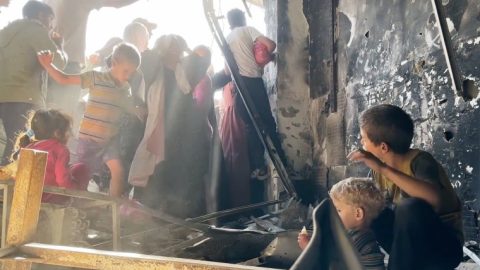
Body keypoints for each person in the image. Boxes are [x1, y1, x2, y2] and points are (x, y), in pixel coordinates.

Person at [348, 104, 463, 270]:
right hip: (409, 249)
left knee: (410, 207)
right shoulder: (377, 172)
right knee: (368, 209)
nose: (361, 143)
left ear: (383, 147)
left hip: (443, 251)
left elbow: (434, 200)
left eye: (363, 139)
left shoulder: (420, 161)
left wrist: (383, 168)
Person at [37, 43, 143, 198]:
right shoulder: (95, 77)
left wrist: (140, 110)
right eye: (125, 71)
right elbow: (65, 79)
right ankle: (75, 202)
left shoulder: (125, 88)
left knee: (118, 171)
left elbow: (129, 107)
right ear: (114, 63)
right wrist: (48, 64)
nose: (127, 76)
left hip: (108, 141)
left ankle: (112, 206)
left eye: (131, 73)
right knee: (81, 174)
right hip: (88, 141)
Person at [0, 0, 66, 165]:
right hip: (22, 98)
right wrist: (59, 46)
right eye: (51, 19)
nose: (51, 26)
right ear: (41, 15)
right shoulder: (37, 30)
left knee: (5, 144)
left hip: (3, 95)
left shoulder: (6, 31)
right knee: (17, 147)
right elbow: (58, 62)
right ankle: (6, 188)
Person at [224, 8, 286, 181]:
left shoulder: (227, 39)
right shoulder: (247, 30)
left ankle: (260, 168)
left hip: (239, 86)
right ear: (242, 19)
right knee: (267, 122)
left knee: (251, 128)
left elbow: (226, 70)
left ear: (229, 22)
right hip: (253, 82)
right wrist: (264, 56)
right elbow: (271, 44)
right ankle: (284, 163)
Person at [298, 178, 386, 270]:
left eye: (338, 210)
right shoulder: (360, 235)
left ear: (358, 214)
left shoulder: (358, 241)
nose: (333, 214)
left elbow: (330, 264)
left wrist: (308, 248)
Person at [13, 109, 90, 204]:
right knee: (81, 168)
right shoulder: (59, 149)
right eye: (68, 131)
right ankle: (82, 203)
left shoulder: (28, 146)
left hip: (24, 198)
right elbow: (63, 181)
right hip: (48, 198)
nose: (70, 135)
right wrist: (77, 189)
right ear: (57, 133)